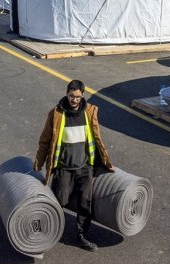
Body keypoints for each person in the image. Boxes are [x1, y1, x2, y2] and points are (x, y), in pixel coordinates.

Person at [34, 80, 114, 252]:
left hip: (84, 167)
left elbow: (97, 139)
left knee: (86, 203)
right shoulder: (56, 114)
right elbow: (45, 141)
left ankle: (82, 236)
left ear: (82, 95)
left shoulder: (90, 112)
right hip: (64, 168)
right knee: (60, 200)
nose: (74, 100)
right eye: (71, 96)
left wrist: (104, 161)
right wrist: (39, 162)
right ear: (66, 94)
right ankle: (48, 232)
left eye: (78, 97)